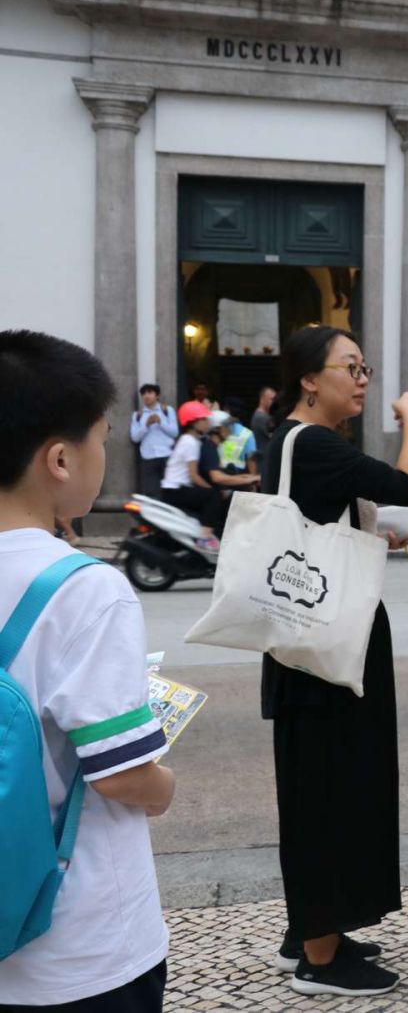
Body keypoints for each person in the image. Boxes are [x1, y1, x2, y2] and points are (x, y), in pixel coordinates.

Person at [0, 330, 178, 1012]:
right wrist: (165, 785)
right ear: (61, 458)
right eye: (104, 438)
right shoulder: (83, 589)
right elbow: (124, 773)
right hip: (77, 950)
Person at [261, 326, 408, 997]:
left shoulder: (292, 444)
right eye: (350, 366)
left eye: (366, 366)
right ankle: (320, 959)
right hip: (331, 643)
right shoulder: (319, 443)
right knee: (330, 789)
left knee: (318, 785)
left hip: (310, 637)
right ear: (309, 378)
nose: (362, 378)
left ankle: (311, 928)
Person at [159, 401, 225, 550]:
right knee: (213, 496)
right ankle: (205, 538)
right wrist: (212, 489)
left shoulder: (189, 440)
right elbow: (194, 476)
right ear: (194, 422)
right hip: (176, 491)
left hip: (173, 490)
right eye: (204, 419)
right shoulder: (190, 442)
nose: (208, 422)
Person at [129, 382, 178, 496]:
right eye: (144, 393)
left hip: (167, 455)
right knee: (151, 491)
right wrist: (146, 425)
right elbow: (135, 438)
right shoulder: (137, 415)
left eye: (150, 392)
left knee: (170, 490)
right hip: (148, 457)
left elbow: (174, 433)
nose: (147, 396)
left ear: (157, 395)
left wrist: (160, 422)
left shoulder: (167, 410)